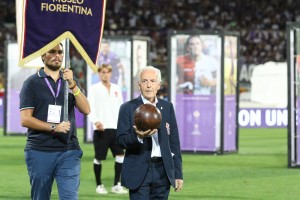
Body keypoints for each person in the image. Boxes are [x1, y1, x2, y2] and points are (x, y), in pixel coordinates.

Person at [19, 43, 91, 200]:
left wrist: (73, 85)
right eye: (52, 52)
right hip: (40, 150)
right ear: (43, 56)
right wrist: (53, 127)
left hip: (69, 150)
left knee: (70, 197)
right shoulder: (31, 83)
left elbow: (86, 110)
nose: (57, 55)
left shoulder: (70, 82)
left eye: (60, 52)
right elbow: (25, 119)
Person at [116, 66, 183, 199]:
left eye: (152, 81)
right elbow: (120, 141)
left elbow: (174, 142)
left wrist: (178, 173)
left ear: (159, 85)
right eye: (144, 81)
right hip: (138, 171)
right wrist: (138, 137)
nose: (148, 85)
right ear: (139, 84)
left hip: (162, 171)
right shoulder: (127, 108)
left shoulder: (167, 107)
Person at [87, 64, 127, 195]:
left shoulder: (116, 88)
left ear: (111, 73)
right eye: (102, 72)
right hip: (101, 129)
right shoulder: (94, 89)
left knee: (121, 154)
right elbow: (89, 108)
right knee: (99, 157)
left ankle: (117, 184)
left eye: (107, 72)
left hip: (115, 128)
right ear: (99, 74)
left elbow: (121, 107)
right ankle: (99, 185)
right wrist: (96, 121)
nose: (105, 74)